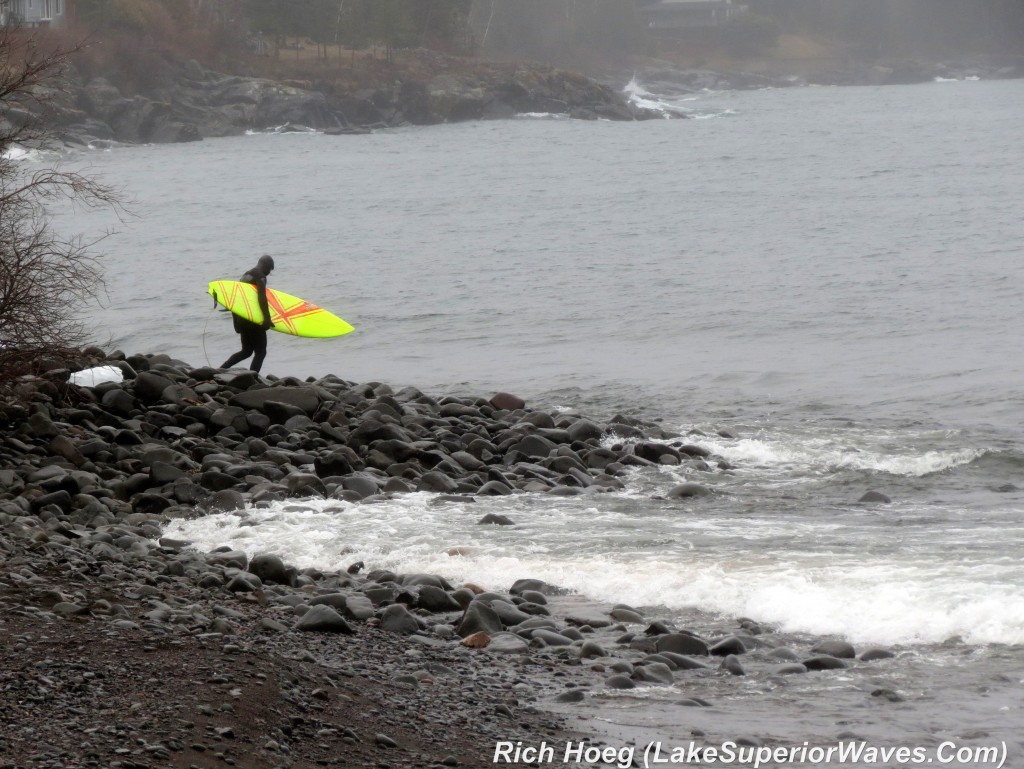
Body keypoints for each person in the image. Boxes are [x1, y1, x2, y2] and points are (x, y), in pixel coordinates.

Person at [221, 254, 275, 373]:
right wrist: (267, 318)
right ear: (266, 266)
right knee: (261, 352)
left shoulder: (245, 275)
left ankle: (221, 369)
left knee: (246, 351)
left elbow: (236, 299)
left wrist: (236, 322)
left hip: (242, 317)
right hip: (252, 320)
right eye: (270, 270)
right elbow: (262, 298)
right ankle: (252, 377)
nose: (268, 273)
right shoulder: (260, 277)